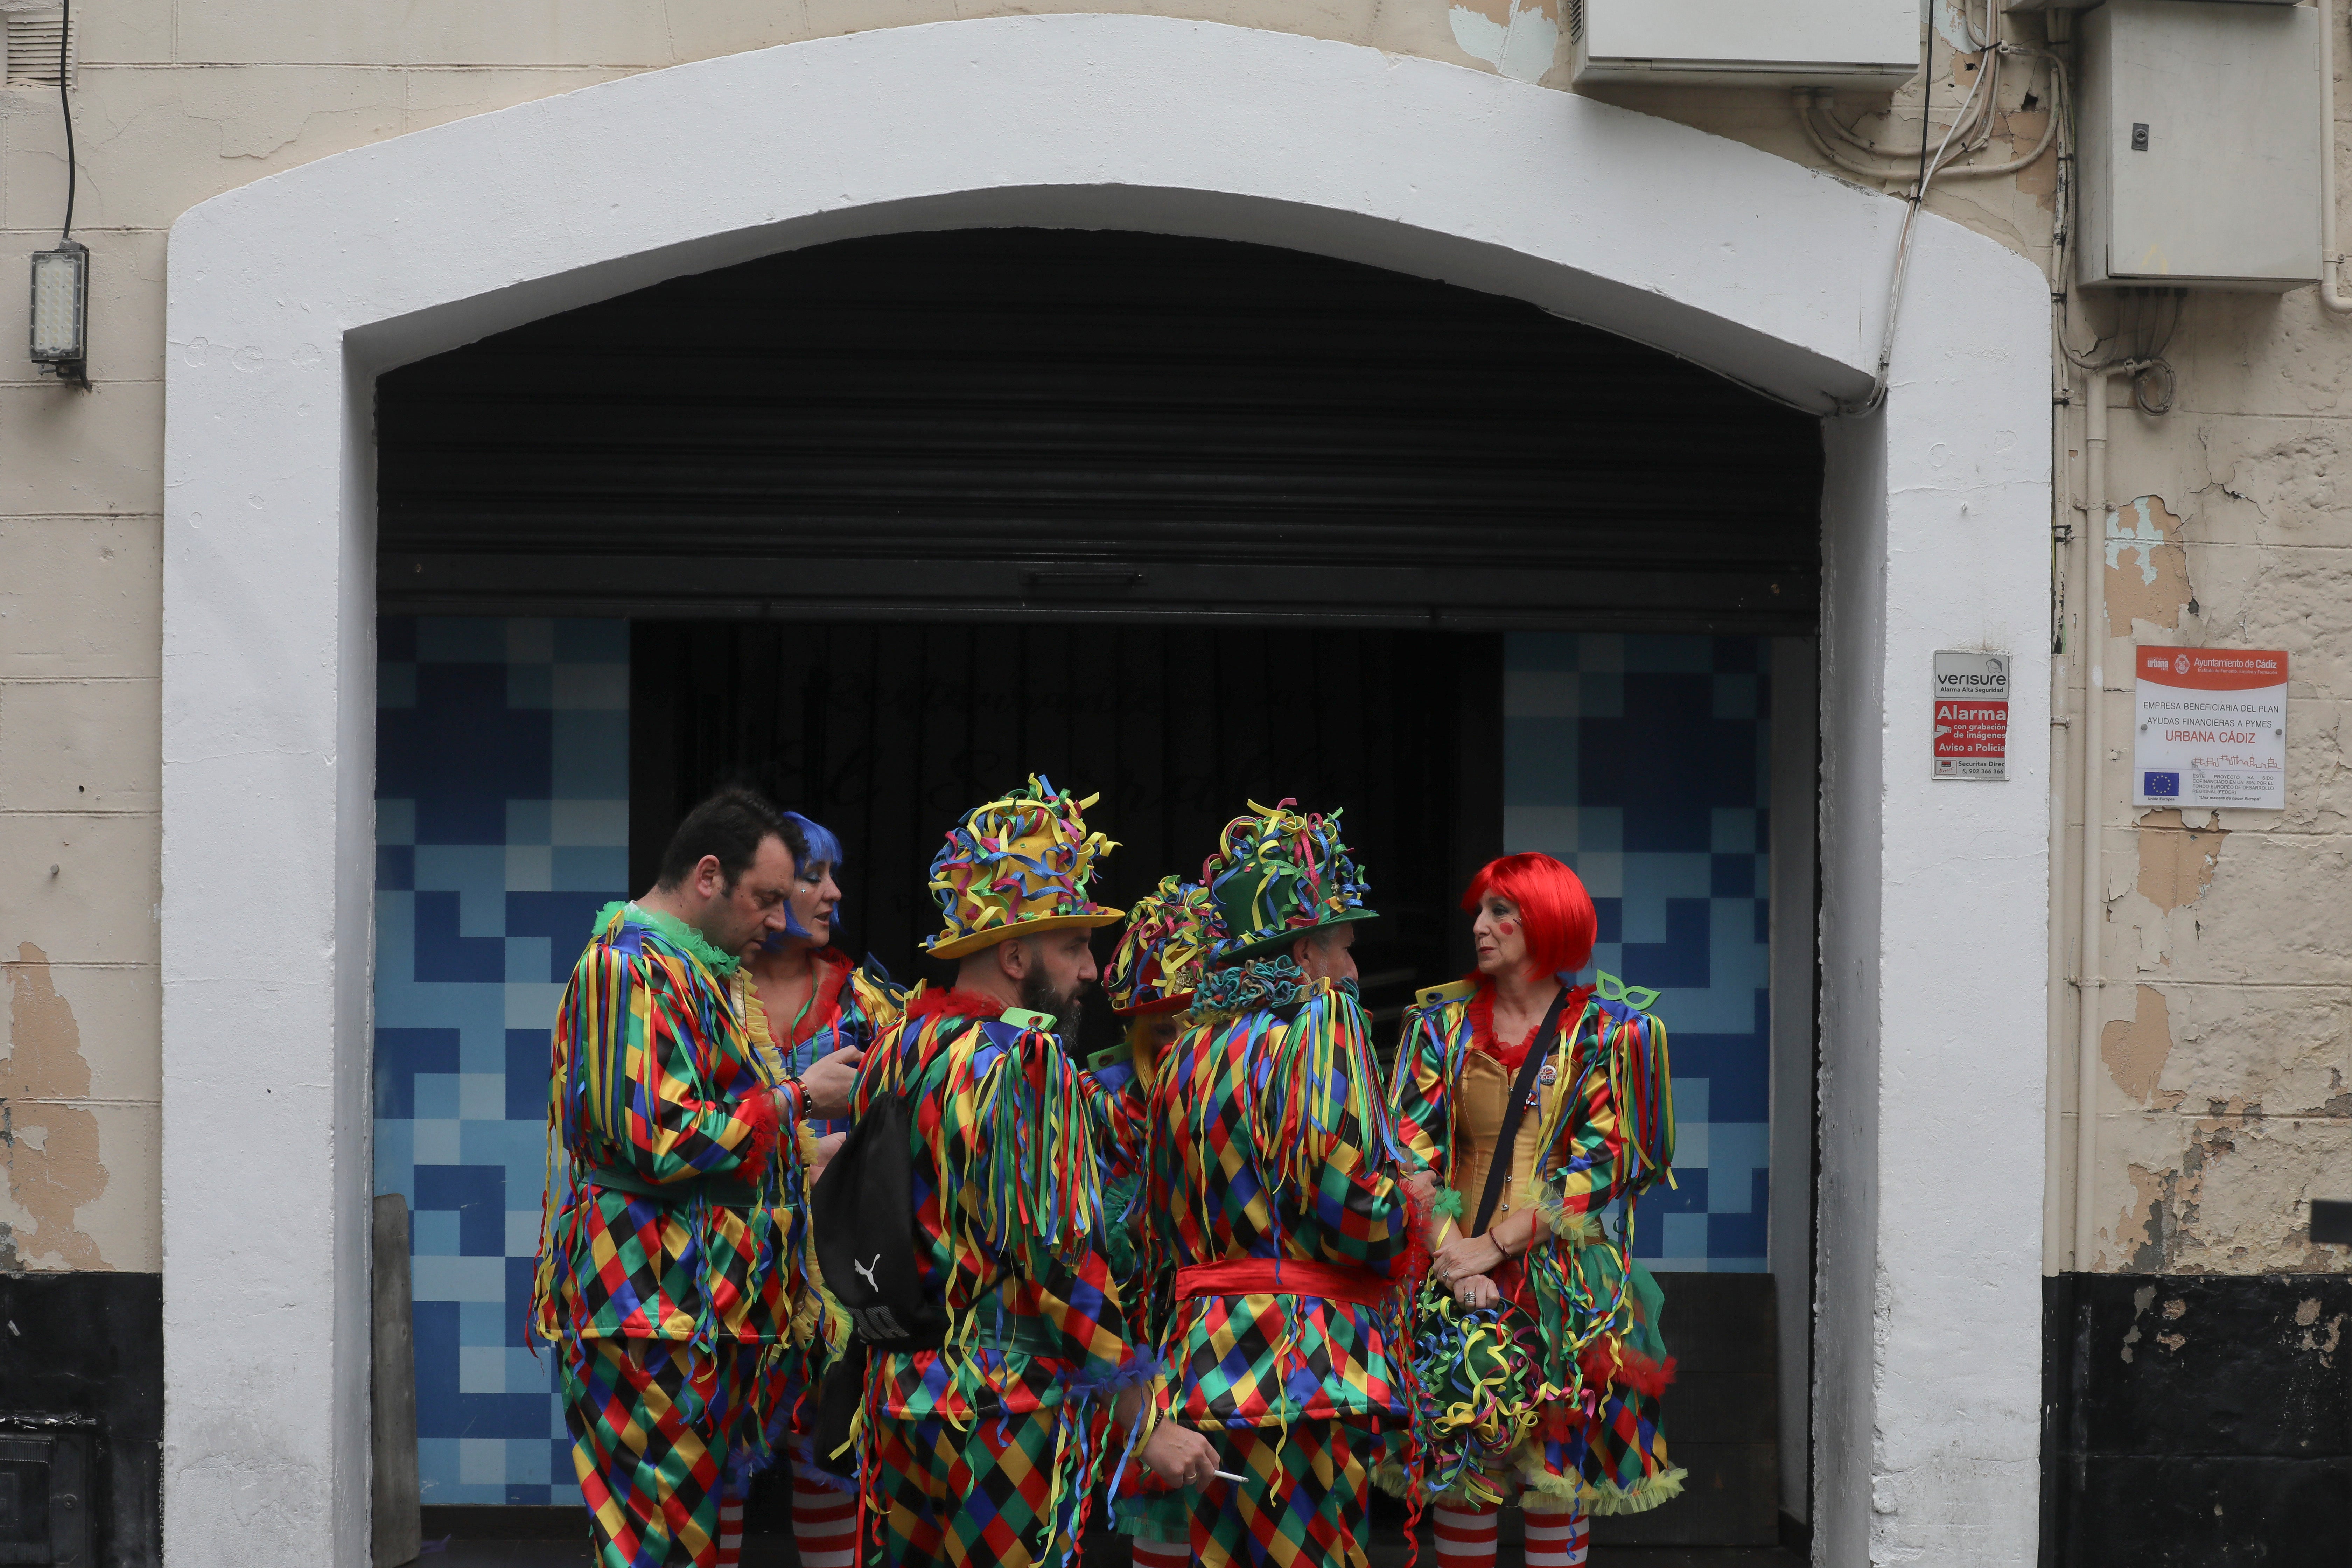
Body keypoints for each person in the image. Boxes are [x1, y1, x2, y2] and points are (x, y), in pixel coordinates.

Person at [848, 776, 1217, 1568]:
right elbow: (1062, 1258)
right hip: (999, 1407)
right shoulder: (1029, 1058)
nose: (1092, 970)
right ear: (1015, 956)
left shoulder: (896, 1048)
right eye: (1074, 945)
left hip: (896, 1399)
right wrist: (1144, 1417)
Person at [529, 788, 865, 1568]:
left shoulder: (689, 972)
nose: (778, 920)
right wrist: (801, 1096)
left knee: (689, 1543)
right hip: (648, 1307)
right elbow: (660, 1136)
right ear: (709, 875)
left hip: (689, 1311)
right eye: (767, 898)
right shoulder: (628, 967)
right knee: (660, 1546)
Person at [1387, 852, 1684, 1568]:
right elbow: (1409, 1151)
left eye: (1501, 912)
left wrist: (1493, 1245)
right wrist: (1455, 1257)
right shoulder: (1439, 1028)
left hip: (1566, 1288)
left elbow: (1606, 1165)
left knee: (1557, 1479)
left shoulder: (1611, 1034)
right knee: (1464, 1476)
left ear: (1546, 921)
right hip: (1451, 1276)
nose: (1480, 927)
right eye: (1480, 912)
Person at [1138, 799, 1415, 1568]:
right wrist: (1410, 1213)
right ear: (1305, 953)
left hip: (1204, 1358)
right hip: (1304, 1361)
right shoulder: (1322, 1030)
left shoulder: (1186, 1055)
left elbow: (1160, 1218)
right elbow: (1349, 1204)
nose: (1353, 970)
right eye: (1346, 948)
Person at [718, 811, 906, 1568]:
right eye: (812, 876)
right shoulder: (705, 998)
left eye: (834, 875)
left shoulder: (870, 1004)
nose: (834, 893)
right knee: (718, 1464)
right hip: (728, 1272)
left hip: (839, 1276)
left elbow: (907, 1133)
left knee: (831, 1457)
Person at [1094, 874, 1223, 1568]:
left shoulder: (1263, 1099)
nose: (1179, 1045)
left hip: (1241, 1343)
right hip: (1149, 1345)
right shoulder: (1104, 1106)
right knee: (1166, 1520)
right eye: (1164, 1030)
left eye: (1194, 1026)